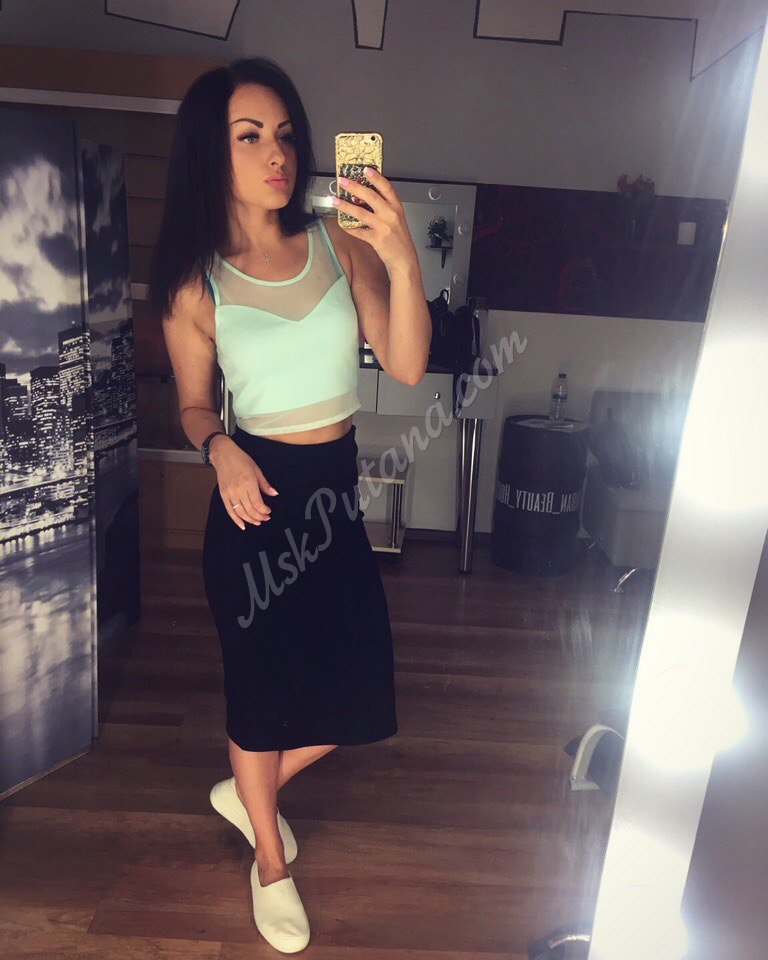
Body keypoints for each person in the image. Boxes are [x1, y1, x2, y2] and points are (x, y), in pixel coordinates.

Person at [148, 56, 431, 953]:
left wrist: (399, 254)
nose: (277, 153)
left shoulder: (339, 242)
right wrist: (220, 446)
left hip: (333, 501)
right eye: (249, 136)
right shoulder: (194, 281)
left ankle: (250, 791)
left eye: (284, 134)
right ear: (211, 150)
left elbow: (408, 364)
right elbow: (194, 406)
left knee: (359, 693)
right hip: (256, 503)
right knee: (260, 697)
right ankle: (269, 861)